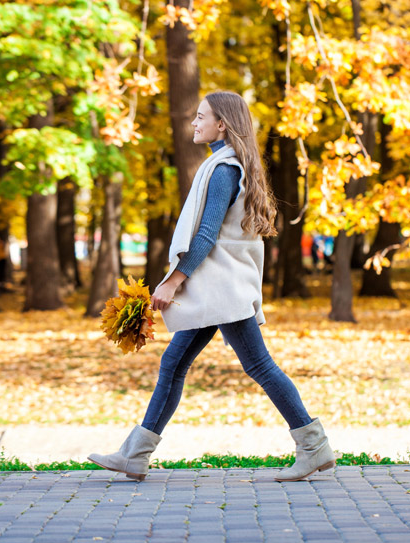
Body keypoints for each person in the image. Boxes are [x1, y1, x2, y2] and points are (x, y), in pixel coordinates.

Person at [89, 91, 334, 482]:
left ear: (222, 124)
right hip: (217, 289)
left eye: (201, 116)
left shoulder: (223, 170)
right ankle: (135, 454)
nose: (194, 123)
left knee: (259, 365)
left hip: (222, 291)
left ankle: (313, 446)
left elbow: (205, 237)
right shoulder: (225, 165)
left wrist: (172, 283)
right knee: (174, 364)